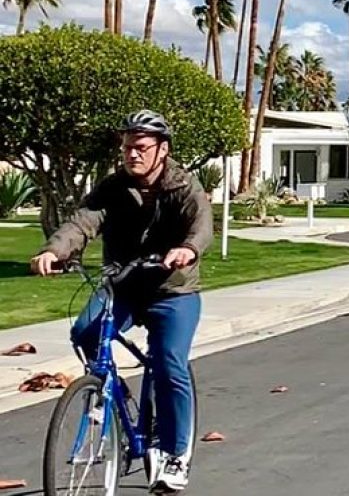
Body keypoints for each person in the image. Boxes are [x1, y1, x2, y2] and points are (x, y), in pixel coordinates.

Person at [30, 110, 212, 493]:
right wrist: (54, 250)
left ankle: (176, 454)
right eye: (127, 147)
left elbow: (201, 227)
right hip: (123, 285)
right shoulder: (112, 188)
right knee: (84, 331)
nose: (132, 155)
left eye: (141, 147)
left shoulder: (184, 187)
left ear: (162, 150)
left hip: (172, 290)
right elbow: (82, 222)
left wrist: (187, 249)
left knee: (168, 362)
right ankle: (105, 390)